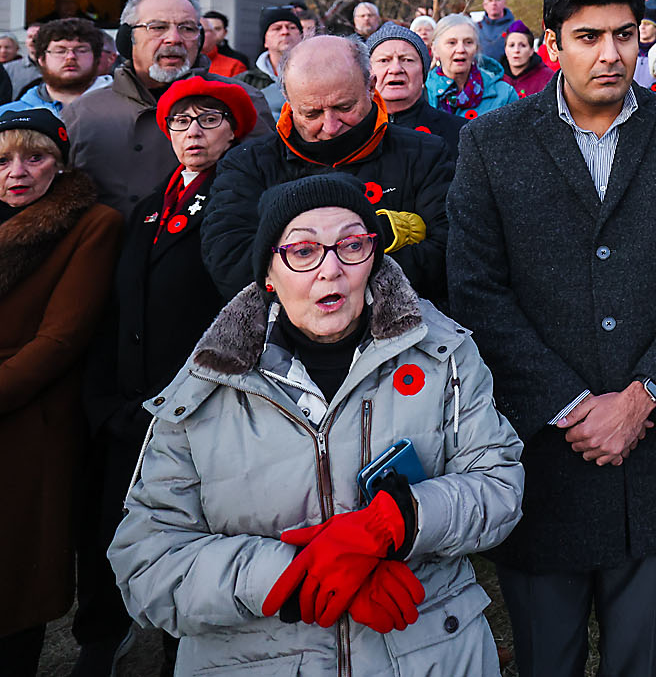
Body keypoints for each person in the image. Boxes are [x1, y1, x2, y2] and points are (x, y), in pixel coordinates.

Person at [446, 0, 656, 677]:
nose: (610, 53)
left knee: (638, 657)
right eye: (587, 37)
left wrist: (642, 396)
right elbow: (477, 290)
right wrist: (575, 405)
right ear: (551, 44)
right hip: (545, 450)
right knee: (549, 656)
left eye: (623, 35)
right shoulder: (492, 142)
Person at [110, 173, 525, 675]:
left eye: (351, 245)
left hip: (429, 650)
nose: (331, 270)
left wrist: (398, 520)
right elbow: (147, 561)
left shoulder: (445, 354)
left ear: (373, 260)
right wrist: (297, 579)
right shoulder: (205, 386)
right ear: (267, 273)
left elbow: (499, 487)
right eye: (303, 251)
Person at [77, 78, 256, 672]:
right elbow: (119, 307)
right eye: (180, 122)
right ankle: (103, 637)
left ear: (234, 130)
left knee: (192, 541)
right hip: (133, 411)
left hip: (201, 408)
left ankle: (185, 654)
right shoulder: (152, 207)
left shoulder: (241, 202)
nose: (192, 133)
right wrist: (108, 399)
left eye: (208, 120)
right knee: (115, 530)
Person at [0, 109, 122, 677]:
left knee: (15, 583)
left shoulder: (91, 223)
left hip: (30, 418)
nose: (17, 172)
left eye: (35, 157)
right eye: (2, 160)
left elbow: (61, 338)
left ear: (62, 162)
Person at [203, 34, 454, 303]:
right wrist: (368, 241)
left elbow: (446, 253)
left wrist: (297, 259)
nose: (330, 126)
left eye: (344, 107)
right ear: (288, 99)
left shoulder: (425, 153)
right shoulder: (247, 163)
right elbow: (231, 261)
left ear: (371, 86)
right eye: (311, 113)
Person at [64, 0, 271, 221]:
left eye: (187, 28)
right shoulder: (82, 113)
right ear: (126, 38)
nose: (174, 38)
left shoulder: (242, 100)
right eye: (158, 27)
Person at [366, 22, 466, 153]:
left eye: (407, 60)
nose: (396, 69)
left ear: (423, 72)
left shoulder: (460, 133)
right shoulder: (349, 132)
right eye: (384, 60)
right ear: (368, 72)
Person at [0, 17, 110, 116]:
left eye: (81, 50)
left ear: (96, 58)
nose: (70, 57)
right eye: (60, 51)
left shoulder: (120, 110)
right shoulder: (10, 116)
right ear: (42, 59)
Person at [427, 14, 520, 119]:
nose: (461, 49)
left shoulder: (503, 95)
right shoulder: (421, 93)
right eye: (452, 43)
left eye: (468, 42)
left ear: (477, 48)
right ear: (435, 49)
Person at [240, 5, 304, 112]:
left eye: (291, 27)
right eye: (277, 28)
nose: (285, 32)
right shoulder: (246, 81)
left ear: (301, 36)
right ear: (265, 41)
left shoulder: (318, 74)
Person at [502, 19, 557, 99]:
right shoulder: (498, 77)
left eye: (523, 45)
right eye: (512, 45)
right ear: (505, 49)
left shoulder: (548, 78)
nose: (516, 50)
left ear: (532, 50)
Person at [475, 0, 517, 64]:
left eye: (497, 0)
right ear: (484, 5)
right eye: (490, 0)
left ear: (504, 3)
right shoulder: (475, 28)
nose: (494, 3)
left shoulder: (515, 28)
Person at [200, 11, 248, 77]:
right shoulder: (188, 59)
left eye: (217, 29)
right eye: (204, 30)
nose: (213, 33)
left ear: (225, 32)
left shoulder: (236, 63)